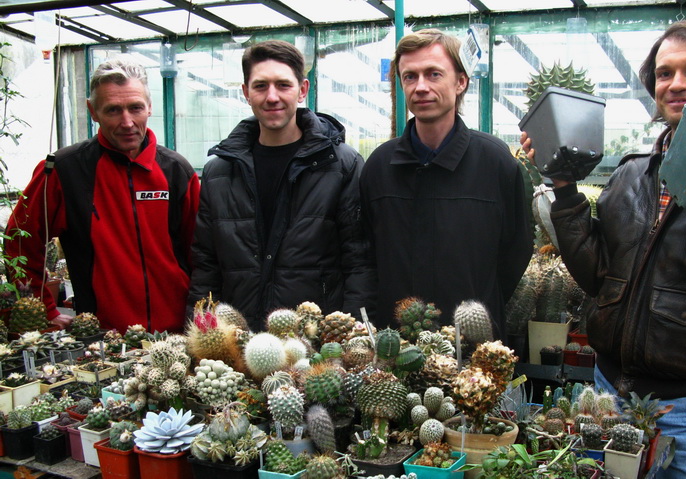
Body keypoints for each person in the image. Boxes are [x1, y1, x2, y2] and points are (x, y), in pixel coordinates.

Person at [522, 19, 686, 478]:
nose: (676, 83)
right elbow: (598, 278)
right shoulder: (632, 174)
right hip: (605, 395)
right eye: (665, 74)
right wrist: (564, 187)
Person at [188, 40, 375, 331]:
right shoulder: (219, 172)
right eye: (260, 86)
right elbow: (206, 265)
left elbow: (359, 261)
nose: (272, 96)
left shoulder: (339, 165)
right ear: (246, 92)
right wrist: (201, 332)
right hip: (239, 338)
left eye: (283, 85)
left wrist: (351, 334)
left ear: (302, 90)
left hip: (315, 340)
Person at [360, 29, 533, 343]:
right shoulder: (379, 167)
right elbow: (365, 254)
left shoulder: (496, 164)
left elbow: (516, 251)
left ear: (461, 82)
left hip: (474, 347)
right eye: (410, 77)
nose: (421, 87)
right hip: (396, 346)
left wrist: (479, 305)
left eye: (434, 74)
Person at [5, 56, 200, 333]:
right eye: (113, 110)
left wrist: (200, 315)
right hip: (102, 336)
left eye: (135, 108)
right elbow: (19, 241)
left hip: (177, 332)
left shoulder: (176, 170)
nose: (127, 122)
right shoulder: (64, 170)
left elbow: (202, 253)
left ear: (150, 106)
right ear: (92, 111)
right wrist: (44, 309)